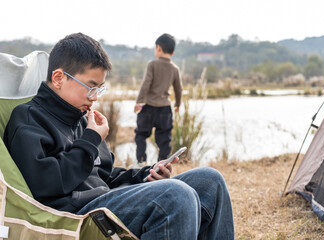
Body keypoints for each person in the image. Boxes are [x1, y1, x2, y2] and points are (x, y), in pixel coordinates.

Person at [3, 33, 234, 239]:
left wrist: (146, 176)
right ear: (58, 78)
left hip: (107, 199)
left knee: (210, 181)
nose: (95, 97)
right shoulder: (28, 119)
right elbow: (45, 184)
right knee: (176, 196)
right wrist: (91, 139)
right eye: (91, 86)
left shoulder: (82, 119)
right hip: (78, 215)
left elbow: (106, 176)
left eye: (100, 88)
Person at [134, 33, 182, 164]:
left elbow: (146, 84)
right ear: (172, 52)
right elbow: (178, 89)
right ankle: (163, 164)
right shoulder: (175, 69)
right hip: (165, 109)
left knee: (141, 135)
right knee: (164, 139)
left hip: (148, 107)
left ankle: (141, 162)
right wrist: (178, 104)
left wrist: (139, 101)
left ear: (158, 48)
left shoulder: (152, 64)